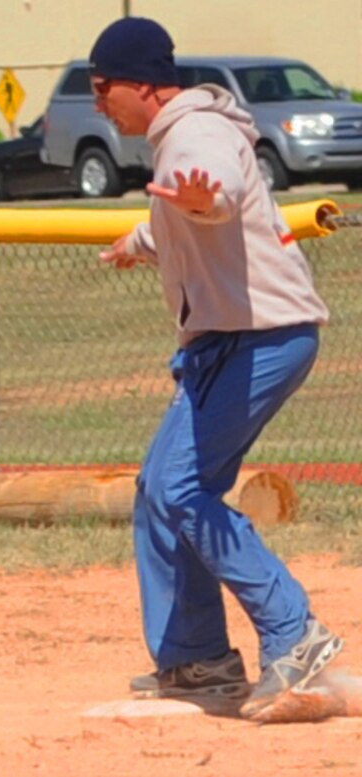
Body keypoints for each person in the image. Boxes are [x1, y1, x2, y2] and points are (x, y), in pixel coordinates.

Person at [89, 17, 343, 722]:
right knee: (160, 488)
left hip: (260, 336)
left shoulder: (195, 135)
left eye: (103, 84)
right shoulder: (182, 136)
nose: (98, 98)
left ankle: (294, 632)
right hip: (233, 339)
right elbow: (191, 210)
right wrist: (143, 238)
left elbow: (217, 195)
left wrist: (205, 201)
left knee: (179, 486)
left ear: (142, 84)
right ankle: (199, 659)